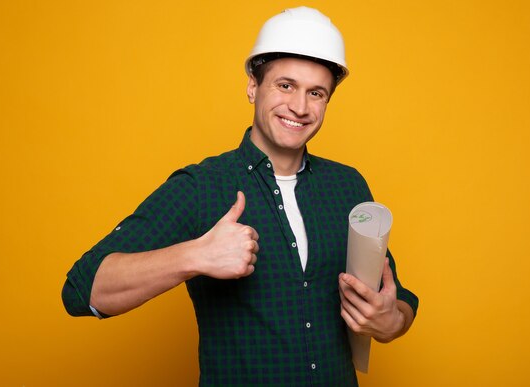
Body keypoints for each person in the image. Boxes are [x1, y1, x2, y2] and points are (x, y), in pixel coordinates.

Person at [62, 6, 418, 386]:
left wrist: (390, 321)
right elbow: (82, 290)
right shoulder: (202, 186)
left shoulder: (347, 186)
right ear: (253, 86)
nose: (299, 107)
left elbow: (394, 300)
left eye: (315, 93)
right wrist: (194, 255)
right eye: (285, 85)